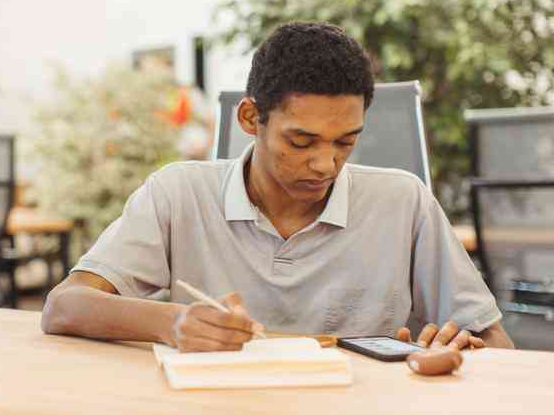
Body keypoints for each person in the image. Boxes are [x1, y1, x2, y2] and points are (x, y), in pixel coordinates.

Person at [41, 22, 514, 352]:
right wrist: (171, 322)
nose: (326, 163)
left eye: (346, 141)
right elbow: (64, 307)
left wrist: (460, 352)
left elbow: (494, 344)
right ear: (250, 118)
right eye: (301, 140)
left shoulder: (403, 201)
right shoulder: (177, 192)